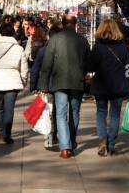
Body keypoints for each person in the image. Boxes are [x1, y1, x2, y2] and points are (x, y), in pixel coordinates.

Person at [38, 14, 90, 159]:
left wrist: (43, 84)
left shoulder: (54, 39)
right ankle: (71, 141)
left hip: (59, 81)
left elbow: (47, 64)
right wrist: (82, 72)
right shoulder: (83, 40)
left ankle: (65, 147)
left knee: (60, 113)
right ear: (75, 24)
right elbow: (88, 62)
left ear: (62, 24)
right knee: (74, 112)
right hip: (77, 82)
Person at [89, 19, 129, 156]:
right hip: (118, 87)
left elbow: (90, 66)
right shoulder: (122, 47)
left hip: (101, 85)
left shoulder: (97, 47)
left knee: (101, 113)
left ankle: (102, 139)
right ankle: (111, 143)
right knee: (115, 114)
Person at [31, 23, 61, 148]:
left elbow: (35, 68)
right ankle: (56, 133)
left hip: (46, 85)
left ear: (49, 36)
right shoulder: (64, 50)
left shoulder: (43, 50)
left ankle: (50, 136)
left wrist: (33, 86)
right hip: (60, 84)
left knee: (48, 111)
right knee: (58, 111)